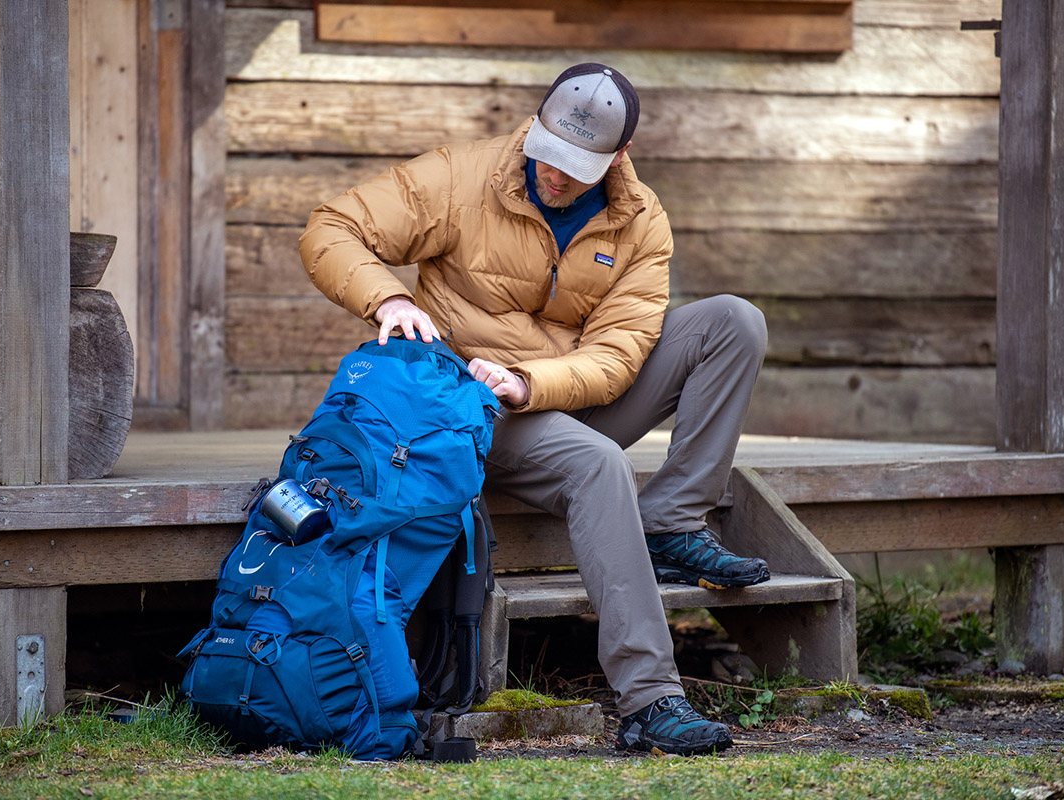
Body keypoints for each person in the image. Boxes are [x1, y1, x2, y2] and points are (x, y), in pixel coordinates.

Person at [298, 62, 770, 756]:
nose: (554, 175)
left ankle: (670, 522)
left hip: (560, 391)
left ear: (619, 157)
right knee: (598, 465)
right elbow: (331, 226)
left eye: (577, 167)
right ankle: (650, 699)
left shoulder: (640, 220)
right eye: (549, 153)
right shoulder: (462, 178)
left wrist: (529, 381)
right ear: (537, 125)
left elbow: (618, 353)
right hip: (469, 415)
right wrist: (388, 297)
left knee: (733, 321)